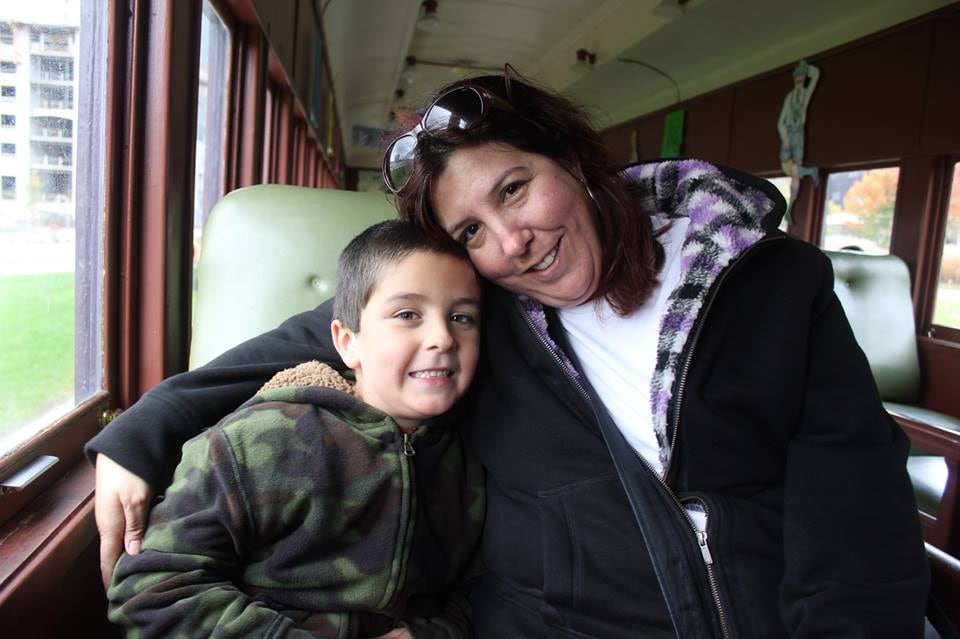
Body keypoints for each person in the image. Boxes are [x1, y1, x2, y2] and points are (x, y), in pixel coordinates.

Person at [88, 70, 929, 638]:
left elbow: (855, 504)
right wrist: (142, 431)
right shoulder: (475, 308)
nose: (514, 243)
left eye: (516, 189)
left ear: (572, 155)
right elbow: (342, 329)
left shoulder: (769, 283)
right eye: (471, 232)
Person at [106, 220, 485, 638]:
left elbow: (480, 590)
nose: (442, 337)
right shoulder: (254, 444)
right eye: (407, 314)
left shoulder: (471, 460)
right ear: (347, 342)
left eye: (461, 317)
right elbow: (151, 589)